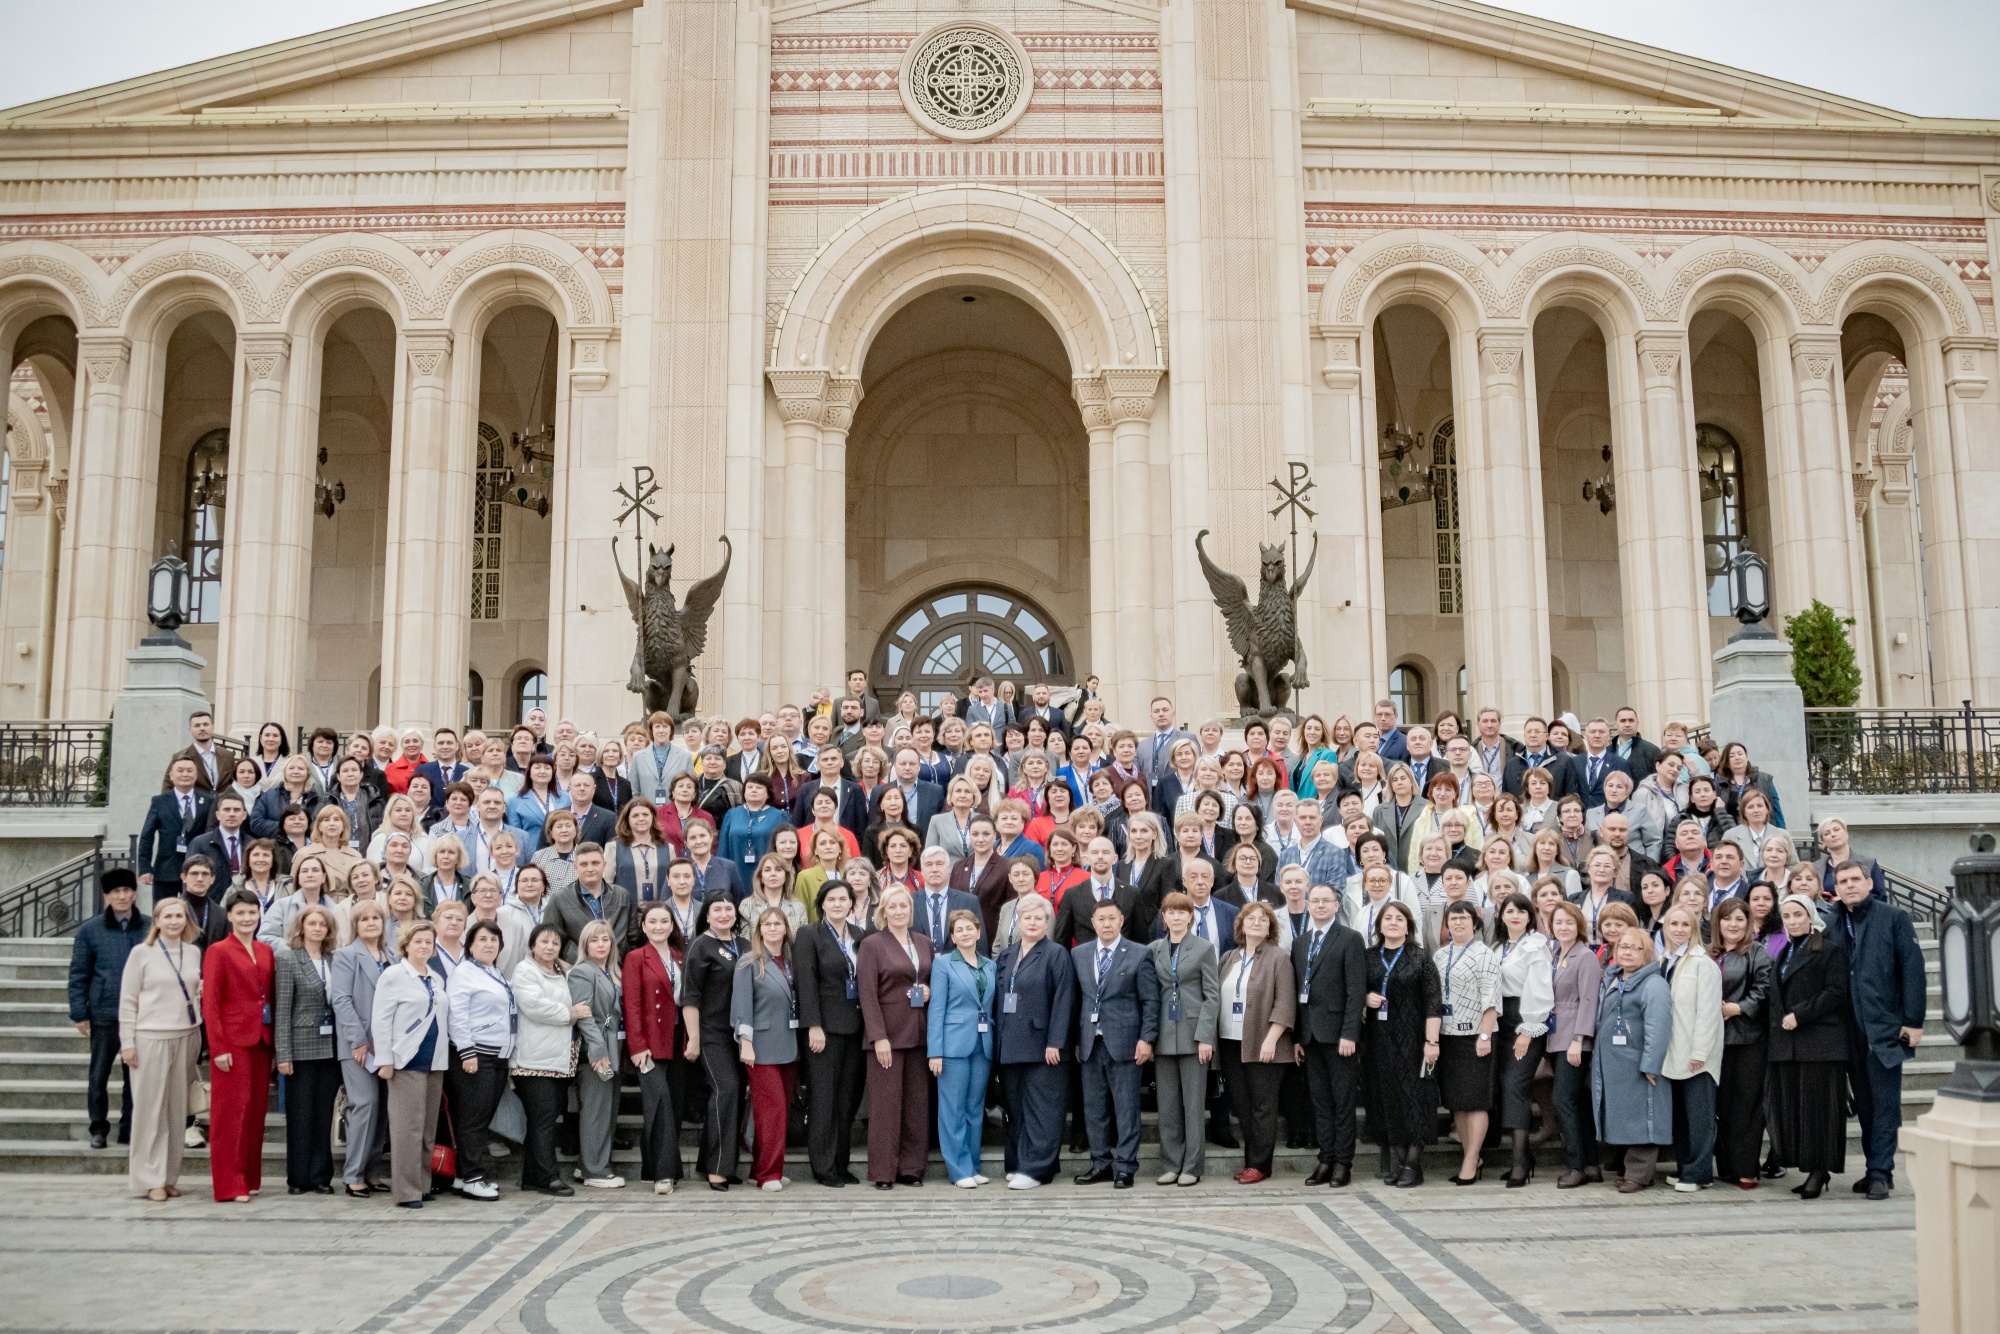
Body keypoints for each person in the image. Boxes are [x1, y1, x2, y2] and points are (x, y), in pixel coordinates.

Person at [1830, 859, 1926, 1200]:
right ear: (1836, 888)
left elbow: (1913, 971)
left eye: (1856, 879)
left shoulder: (1894, 918)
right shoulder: (1833, 924)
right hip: (1850, 1030)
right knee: (1867, 1105)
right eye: (1843, 881)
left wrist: (1913, 1021)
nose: (1850, 885)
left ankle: (1881, 1172)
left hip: (1884, 1028)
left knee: (1885, 1103)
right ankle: (1874, 1166)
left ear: (1869, 883)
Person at [116, 896, 203, 1202]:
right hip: (150, 1037)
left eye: (180, 915)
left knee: (177, 1111)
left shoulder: (193, 952)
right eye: (168, 916)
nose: (174, 921)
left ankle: (168, 1176)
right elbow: (128, 1000)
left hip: (187, 1036)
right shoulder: (142, 953)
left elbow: (192, 991)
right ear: (157, 921)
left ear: (186, 920)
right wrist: (127, 1042)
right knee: (150, 1111)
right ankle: (149, 1178)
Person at [1070, 899, 1158, 1189]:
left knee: (1126, 1108)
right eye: (1101, 919)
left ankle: (1125, 1166)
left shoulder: (1139, 954)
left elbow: (1150, 1000)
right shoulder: (1079, 954)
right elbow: (1076, 1000)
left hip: (1126, 1043)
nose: (1106, 924)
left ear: (1121, 920)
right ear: (1092, 923)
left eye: (1111, 919)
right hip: (1089, 1043)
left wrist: (1147, 1039)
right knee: (1094, 1109)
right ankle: (1100, 1164)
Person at [1769, 893, 1851, 1198]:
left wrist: (1800, 1015)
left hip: (1820, 1044)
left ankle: (1820, 1171)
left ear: (1810, 917)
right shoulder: (1786, 951)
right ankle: (1810, 1169)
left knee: (1819, 1110)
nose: (1792, 921)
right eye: (1787, 916)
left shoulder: (1828, 950)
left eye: (1798, 915)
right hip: (1792, 1045)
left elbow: (1836, 992)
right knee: (1801, 1110)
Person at [992, 894, 1074, 1191]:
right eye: (1027, 917)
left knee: (1043, 1110)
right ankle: (1017, 1163)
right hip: (1010, 1045)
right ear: (1018, 921)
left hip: (1043, 1048)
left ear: (1047, 923)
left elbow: (1064, 1001)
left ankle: (1036, 1168)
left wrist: (1056, 1042)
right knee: (1016, 1110)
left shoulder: (1056, 954)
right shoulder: (1006, 955)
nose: (1033, 922)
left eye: (1039, 918)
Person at [1290, 882, 1366, 1188]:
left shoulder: (1350, 938)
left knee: (1343, 1100)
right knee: (1319, 1101)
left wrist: (1350, 1033)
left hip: (1339, 1037)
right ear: (1308, 905)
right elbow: (1298, 992)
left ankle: (1342, 1163)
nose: (1320, 905)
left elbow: (1356, 990)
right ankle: (1325, 1158)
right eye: (1315, 901)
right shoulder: (1301, 943)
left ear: (1337, 906)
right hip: (1309, 1035)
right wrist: (1297, 1037)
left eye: (1327, 901)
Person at [370, 919, 450, 1208]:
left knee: (428, 1129)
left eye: (429, 942)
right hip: (406, 1062)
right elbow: (380, 1020)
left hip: (434, 1061)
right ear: (407, 944)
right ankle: (406, 1192)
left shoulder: (436, 978)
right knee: (408, 1130)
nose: (424, 946)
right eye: (418, 941)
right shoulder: (393, 975)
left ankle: (423, 1184)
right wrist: (385, 1060)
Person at [858, 886, 934, 1188]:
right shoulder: (872, 945)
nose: (899, 911)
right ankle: (884, 1172)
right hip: (887, 1035)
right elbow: (867, 994)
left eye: (904, 906)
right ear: (883, 911)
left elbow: (930, 979)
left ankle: (911, 1169)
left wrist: (928, 990)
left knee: (917, 1105)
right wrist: (878, 1037)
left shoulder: (924, 942)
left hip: (919, 1032)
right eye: (893, 906)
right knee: (885, 1105)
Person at [1214, 900, 1294, 1185]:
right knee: (1243, 1105)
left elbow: (1285, 1004)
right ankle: (1253, 1162)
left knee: (1263, 1106)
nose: (1256, 922)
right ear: (1242, 925)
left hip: (1264, 1044)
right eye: (1251, 918)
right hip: (1232, 1042)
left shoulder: (1278, 957)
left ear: (1270, 926)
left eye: (1263, 919)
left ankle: (1260, 1164)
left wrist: (1272, 1039)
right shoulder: (1229, 958)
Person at [203, 887, 275, 1201]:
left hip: (261, 1039)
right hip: (232, 1041)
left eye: (252, 912)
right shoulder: (218, 950)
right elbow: (211, 1003)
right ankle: (229, 1184)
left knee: (256, 1112)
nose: (247, 918)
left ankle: (249, 1177)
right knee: (230, 1114)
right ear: (230, 916)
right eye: (241, 913)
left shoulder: (265, 950)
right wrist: (217, 1048)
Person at [1361, 900, 1440, 1187]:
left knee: (1415, 1100)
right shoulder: (1368, 956)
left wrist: (1432, 1042)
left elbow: (1433, 1003)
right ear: (1380, 925)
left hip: (1414, 1040)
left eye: (1399, 918)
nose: (1393, 922)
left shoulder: (1420, 957)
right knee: (1386, 1100)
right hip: (1379, 1041)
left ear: (1408, 926)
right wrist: (1366, 998)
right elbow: (1354, 989)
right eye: (1388, 918)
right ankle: (1401, 1160)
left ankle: (1412, 1164)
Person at [795, 880, 868, 1187]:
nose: (838, 904)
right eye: (832, 899)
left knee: (846, 1101)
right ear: (822, 903)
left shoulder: (861, 936)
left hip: (855, 1029)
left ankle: (841, 1163)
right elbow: (805, 982)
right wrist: (813, 1025)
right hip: (823, 1030)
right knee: (824, 1100)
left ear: (852, 904)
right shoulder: (809, 934)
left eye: (844, 899)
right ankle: (823, 1168)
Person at [70, 868, 148, 1150]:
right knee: (99, 1074)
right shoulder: (90, 930)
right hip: (104, 1012)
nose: (122, 896)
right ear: (106, 897)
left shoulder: (149, 927)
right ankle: (98, 1128)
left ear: (135, 894)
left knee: (134, 1076)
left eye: (127, 891)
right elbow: (79, 973)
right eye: (116, 892)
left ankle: (128, 1129)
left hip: (142, 1015)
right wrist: (79, 1012)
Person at [1591, 928, 1674, 1193]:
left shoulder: (1654, 984)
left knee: (1644, 1118)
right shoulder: (1613, 977)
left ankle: (1639, 1175)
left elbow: (1658, 1026)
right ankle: (1635, 1172)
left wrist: (1652, 1063)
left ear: (1647, 953)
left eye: (1635, 948)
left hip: (1639, 1064)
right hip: (1616, 1065)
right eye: (1623, 946)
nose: (1627, 952)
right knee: (1627, 1117)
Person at [1146, 891, 1219, 1187]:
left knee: (1192, 1104)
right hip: (1164, 1034)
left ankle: (1192, 1164)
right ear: (1163, 917)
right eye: (1170, 912)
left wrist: (1205, 1037)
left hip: (1193, 1036)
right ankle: (1171, 1163)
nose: (1176, 917)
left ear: (1190, 916)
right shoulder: (1153, 949)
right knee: (1168, 1105)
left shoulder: (1203, 948)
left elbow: (1211, 996)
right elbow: (1149, 996)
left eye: (1182, 912)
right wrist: (1148, 1038)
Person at [273, 903, 342, 1195]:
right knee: (300, 1115)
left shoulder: (334, 959)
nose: (317, 929)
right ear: (301, 927)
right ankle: (299, 1178)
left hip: (330, 1047)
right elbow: (283, 1009)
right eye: (312, 923)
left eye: (322, 925)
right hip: (300, 1047)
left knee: (323, 1114)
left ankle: (321, 1176)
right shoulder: (289, 959)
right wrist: (283, 1054)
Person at [729, 907, 799, 1192]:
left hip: (789, 1046)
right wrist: (745, 1042)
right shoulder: (749, 961)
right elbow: (741, 1005)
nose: (772, 928)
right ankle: (769, 1174)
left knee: (777, 1110)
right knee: (772, 1112)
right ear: (759, 930)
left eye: (777, 923)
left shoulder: (792, 961)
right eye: (767, 924)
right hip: (760, 1048)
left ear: (785, 928)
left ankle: (761, 1168)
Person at [1656, 903, 1723, 1192]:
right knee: (1681, 1116)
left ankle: (1699, 1172)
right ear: (1666, 928)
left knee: (1699, 1116)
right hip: (1673, 1050)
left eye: (1685, 925)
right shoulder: (1664, 961)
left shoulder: (1702, 964)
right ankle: (1686, 1167)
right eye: (1674, 924)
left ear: (1694, 930)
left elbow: (1708, 1013)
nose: (1679, 930)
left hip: (1697, 1052)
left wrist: (1700, 1052)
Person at [928, 908, 997, 1188]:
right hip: (953, 1044)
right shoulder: (944, 964)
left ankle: (973, 1165)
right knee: (952, 1110)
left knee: (974, 1107)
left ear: (979, 933)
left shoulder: (989, 965)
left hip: (983, 1043)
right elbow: (937, 1008)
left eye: (970, 928)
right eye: (959, 930)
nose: (966, 933)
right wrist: (935, 1051)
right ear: (953, 937)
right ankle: (958, 1170)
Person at [1708, 898, 1774, 1190]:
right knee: (1721, 1104)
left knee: (1746, 1105)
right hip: (1714, 1040)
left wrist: (1737, 1008)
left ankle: (1748, 1168)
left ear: (1748, 924)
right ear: (1717, 922)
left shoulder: (1757, 952)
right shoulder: (1708, 954)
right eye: (1727, 919)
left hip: (1748, 1038)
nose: (1733, 925)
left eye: (1739, 919)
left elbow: (1765, 988)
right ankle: (1728, 1165)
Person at [1432, 901, 1499, 1184]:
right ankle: (1469, 1153)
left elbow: (1491, 999)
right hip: (1447, 1037)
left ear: (1475, 923)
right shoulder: (1440, 955)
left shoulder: (1485, 955)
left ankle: (1472, 1160)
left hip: (1475, 1036)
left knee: (1476, 1101)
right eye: (1453, 919)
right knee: (1457, 1102)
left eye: (1464, 918)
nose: (1458, 923)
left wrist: (1485, 1035)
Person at [511, 923, 580, 1197]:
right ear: (532, 946)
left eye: (555, 943)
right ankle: (548, 1177)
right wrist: (571, 1012)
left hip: (559, 1059)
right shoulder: (525, 971)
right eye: (544, 942)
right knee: (543, 1120)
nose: (550, 947)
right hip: (534, 1060)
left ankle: (532, 1176)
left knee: (546, 1118)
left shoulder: (562, 970)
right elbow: (535, 1006)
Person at [681, 896, 745, 1190]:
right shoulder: (700, 946)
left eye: (728, 909)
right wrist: (693, 1037)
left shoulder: (744, 945)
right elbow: (690, 997)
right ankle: (718, 1169)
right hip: (710, 1034)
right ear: (706, 915)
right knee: (726, 1089)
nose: (723, 914)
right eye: (716, 909)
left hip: (740, 1035)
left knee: (735, 1096)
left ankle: (717, 1162)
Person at [622, 903, 687, 1193]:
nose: (659, 926)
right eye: (653, 922)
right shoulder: (636, 958)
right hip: (650, 1042)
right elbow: (632, 1005)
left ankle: (652, 1167)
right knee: (658, 1104)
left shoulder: (680, 957)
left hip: (679, 1038)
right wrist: (637, 1046)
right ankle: (663, 1173)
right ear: (644, 927)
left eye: (664, 921)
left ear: (672, 926)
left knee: (671, 1105)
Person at [1492, 892, 1553, 1187]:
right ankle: (1524, 1158)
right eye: (1509, 910)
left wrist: (1528, 1029)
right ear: (1501, 915)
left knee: (1516, 1086)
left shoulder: (1535, 946)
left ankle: (1519, 1162)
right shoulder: (1498, 946)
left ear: (1530, 916)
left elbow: (1539, 989)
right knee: (1506, 1087)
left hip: (1525, 1019)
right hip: (1500, 1023)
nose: (1515, 915)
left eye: (1521, 911)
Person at [1545, 901, 1604, 1188]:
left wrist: (1579, 1040)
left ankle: (1575, 1164)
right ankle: (1591, 1164)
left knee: (1562, 1100)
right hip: (1556, 1037)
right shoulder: (1555, 954)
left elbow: (1588, 1000)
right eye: (1558, 922)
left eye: (1569, 922)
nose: (1563, 927)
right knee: (1578, 1103)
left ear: (1578, 925)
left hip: (1573, 1040)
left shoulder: (1586, 957)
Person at [569, 919, 626, 1189]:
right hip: (597, 1049)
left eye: (605, 939)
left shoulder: (614, 971)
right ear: (585, 945)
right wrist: (597, 1048)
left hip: (616, 1046)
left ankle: (586, 1164)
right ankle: (595, 1171)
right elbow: (584, 1015)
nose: (601, 944)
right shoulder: (582, 972)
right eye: (594, 940)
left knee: (608, 1108)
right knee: (596, 1110)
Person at [139, 758, 213, 905]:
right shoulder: (159, 801)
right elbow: (147, 835)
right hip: (166, 869)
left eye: (189, 770)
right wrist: (145, 867)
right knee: (164, 913)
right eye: (180, 771)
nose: (185, 774)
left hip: (198, 869)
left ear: (196, 775)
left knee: (196, 913)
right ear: (171, 775)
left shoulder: (208, 801)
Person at [546, 843, 633, 964]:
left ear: (604, 865)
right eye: (584, 864)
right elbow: (551, 939)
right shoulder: (559, 899)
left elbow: (633, 938)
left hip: (618, 968)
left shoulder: (622, 895)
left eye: (595, 863)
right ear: (575, 867)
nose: (590, 869)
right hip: (579, 969)